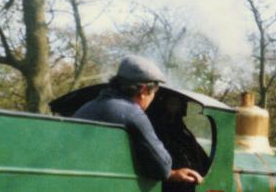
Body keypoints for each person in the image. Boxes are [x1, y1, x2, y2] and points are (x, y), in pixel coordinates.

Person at [73, 55, 203, 184]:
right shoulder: (134, 114)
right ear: (144, 90)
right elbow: (163, 167)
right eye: (154, 93)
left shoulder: (86, 107)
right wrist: (174, 173)